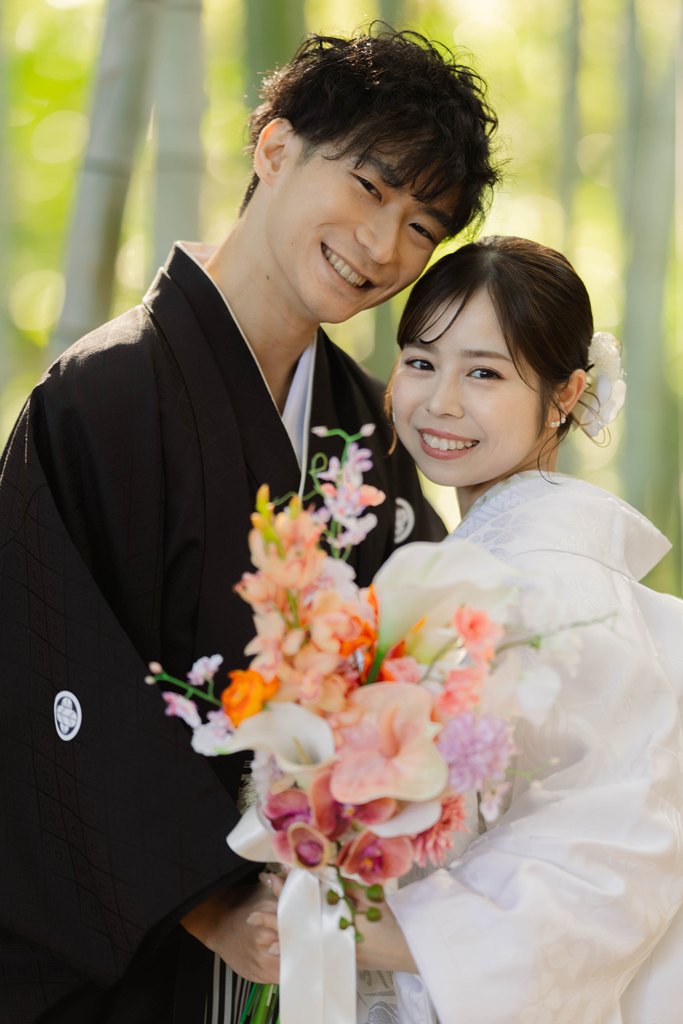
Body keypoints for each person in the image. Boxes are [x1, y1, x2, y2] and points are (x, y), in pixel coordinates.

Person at [0, 25, 500, 1024]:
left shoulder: (365, 428)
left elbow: (429, 671)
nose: (382, 247)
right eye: (367, 186)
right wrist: (211, 901)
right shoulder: (101, 398)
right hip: (129, 963)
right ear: (273, 149)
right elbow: (43, 683)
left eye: (420, 225)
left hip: (310, 936)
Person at [251, 236, 683, 1022]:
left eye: (483, 373)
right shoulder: (478, 566)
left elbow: (618, 861)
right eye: (421, 362)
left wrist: (373, 929)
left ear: (564, 393)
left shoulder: (553, 584)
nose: (439, 402)